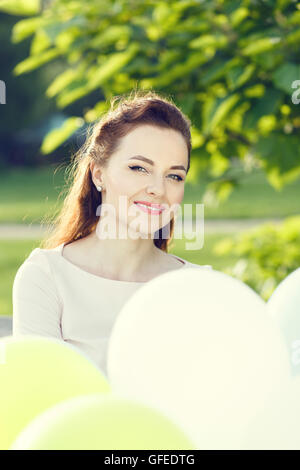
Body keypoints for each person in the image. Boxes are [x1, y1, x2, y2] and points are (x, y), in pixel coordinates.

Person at [12, 90, 211, 376]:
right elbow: (39, 396)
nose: (158, 188)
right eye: (139, 168)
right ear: (98, 174)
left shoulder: (198, 286)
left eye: (174, 175)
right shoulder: (46, 278)